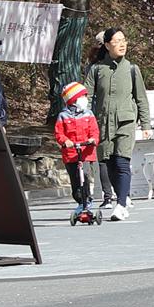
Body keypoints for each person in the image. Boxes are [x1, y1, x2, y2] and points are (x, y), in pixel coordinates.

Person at [85, 27, 150, 220]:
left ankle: (121, 203)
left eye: (124, 40)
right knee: (109, 163)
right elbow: (86, 96)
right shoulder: (96, 70)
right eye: (116, 41)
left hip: (126, 122)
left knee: (122, 162)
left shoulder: (132, 69)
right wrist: (85, 120)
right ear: (106, 45)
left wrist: (146, 124)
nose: (122, 44)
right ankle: (120, 196)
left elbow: (141, 98)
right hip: (102, 123)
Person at [53, 81, 102, 224]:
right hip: (71, 153)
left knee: (85, 176)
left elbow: (94, 130)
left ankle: (88, 200)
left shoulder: (89, 114)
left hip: (85, 152)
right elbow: (59, 133)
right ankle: (80, 201)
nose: (85, 99)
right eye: (83, 96)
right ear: (74, 100)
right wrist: (65, 141)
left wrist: (93, 139)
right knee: (75, 180)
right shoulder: (63, 116)